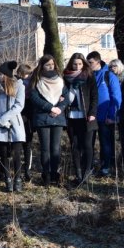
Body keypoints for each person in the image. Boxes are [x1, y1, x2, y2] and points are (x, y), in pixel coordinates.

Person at [29, 55, 69, 186]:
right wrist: (50, 107)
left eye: (52, 64)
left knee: (55, 148)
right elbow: (34, 98)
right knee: (45, 148)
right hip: (42, 118)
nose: (50, 67)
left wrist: (60, 108)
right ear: (42, 65)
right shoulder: (36, 79)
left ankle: (54, 174)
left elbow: (67, 96)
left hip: (58, 117)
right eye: (47, 65)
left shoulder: (60, 79)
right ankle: (45, 175)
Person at [0, 61, 26, 192]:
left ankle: (18, 180)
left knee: (16, 154)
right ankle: (7, 180)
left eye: (0, 74)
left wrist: (5, 118)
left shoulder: (19, 86)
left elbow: (19, 105)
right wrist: (0, 120)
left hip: (15, 124)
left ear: (6, 75)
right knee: (4, 154)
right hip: (1, 126)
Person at [63, 53, 98, 186]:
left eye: (80, 64)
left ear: (83, 64)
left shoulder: (89, 76)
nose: (77, 66)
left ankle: (86, 173)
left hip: (87, 116)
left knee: (87, 145)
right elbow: (62, 93)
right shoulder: (65, 77)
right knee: (75, 145)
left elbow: (95, 96)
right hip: (71, 116)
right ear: (71, 64)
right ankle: (78, 174)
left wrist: (93, 112)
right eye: (75, 64)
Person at [86, 51, 121, 176]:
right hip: (90, 116)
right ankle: (88, 167)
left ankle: (106, 167)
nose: (88, 65)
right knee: (88, 143)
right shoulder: (88, 76)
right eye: (87, 62)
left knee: (105, 142)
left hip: (105, 116)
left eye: (90, 63)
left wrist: (112, 116)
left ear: (98, 62)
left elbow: (116, 97)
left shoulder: (109, 76)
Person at [109, 58, 124, 165]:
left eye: (114, 66)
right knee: (112, 133)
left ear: (119, 66)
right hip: (113, 108)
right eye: (111, 67)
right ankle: (113, 157)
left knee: (123, 134)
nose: (112, 69)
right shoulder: (110, 77)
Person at [16, 64, 34, 181]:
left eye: (28, 74)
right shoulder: (16, 83)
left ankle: (27, 170)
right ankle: (20, 170)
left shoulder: (32, 84)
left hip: (28, 117)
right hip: (18, 117)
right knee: (19, 146)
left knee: (27, 145)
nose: (26, 77)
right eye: (25, 75)